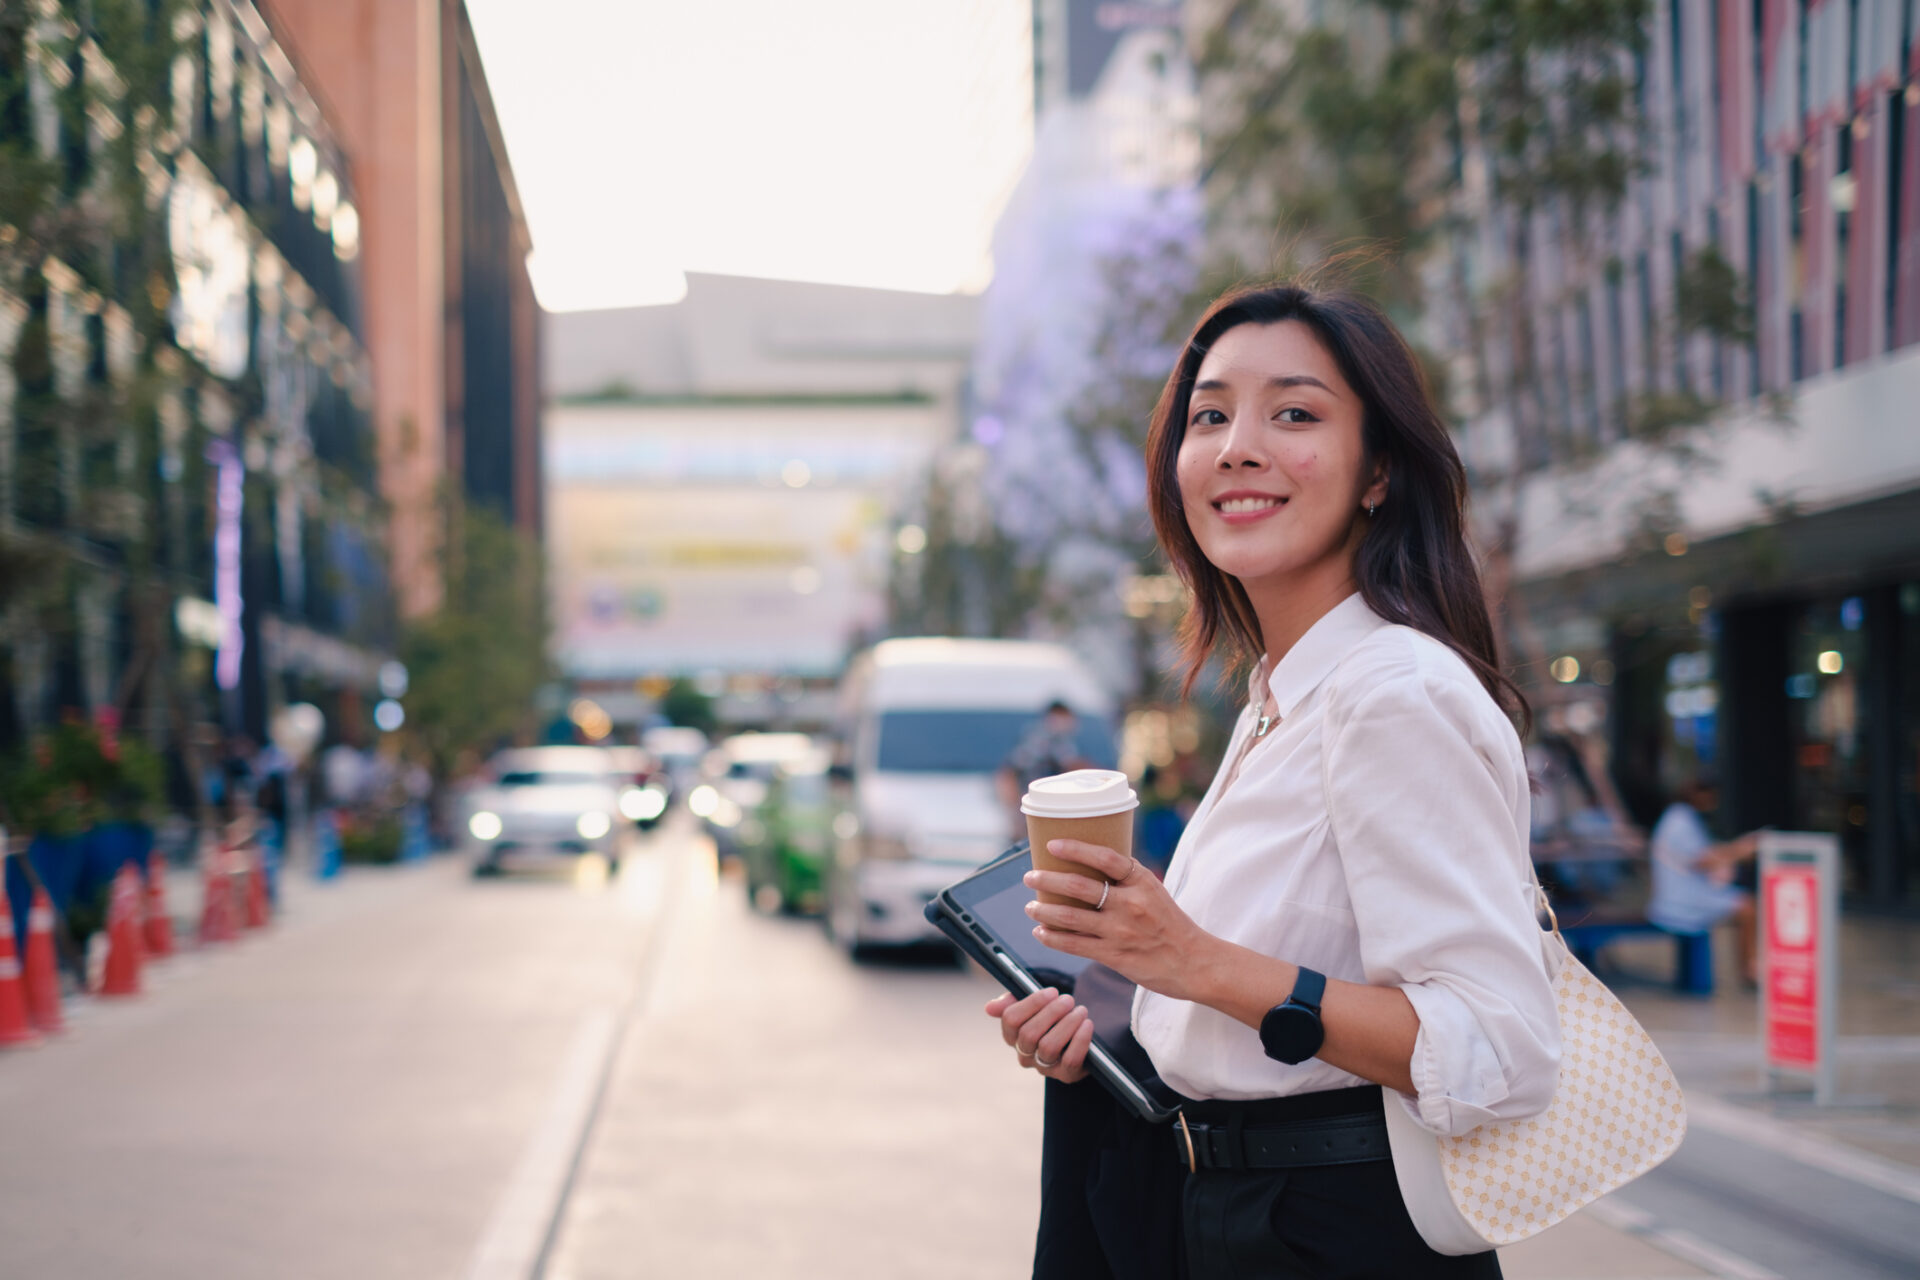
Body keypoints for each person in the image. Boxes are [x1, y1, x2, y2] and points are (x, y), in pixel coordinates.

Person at [984, 281, 1560, 1278]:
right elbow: (1242, 1001)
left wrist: (1195, 961)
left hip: (1329, 1229)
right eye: (1210, 415)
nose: (1238, 444)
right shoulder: (1279, 696)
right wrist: (1112, 1024)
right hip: (1220, 1203)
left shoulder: (1392, 692)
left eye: (1294, 411)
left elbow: (1500, 1047)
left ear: (1378, 468)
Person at [1646, 775, 1759, 984]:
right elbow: (1703, 861)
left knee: (1745, 904)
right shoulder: (1680, 820)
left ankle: (1749, 966)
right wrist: (1740, 850)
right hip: (1681, 899)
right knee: (1747, 906)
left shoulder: (1679, 817)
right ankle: (1749, 969)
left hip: (1682, 893)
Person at [996, 700, 1091, 835]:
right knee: (1026, 835)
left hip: (1019, 789)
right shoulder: (1051, 736)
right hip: (1019, 789)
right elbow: (1074, 765)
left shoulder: (1035, 732)